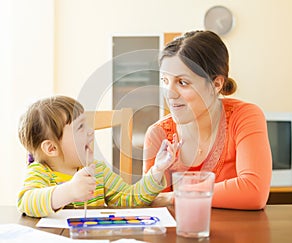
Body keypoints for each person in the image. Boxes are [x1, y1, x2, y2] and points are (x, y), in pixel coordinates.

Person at [143, 30, 272, 210]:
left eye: (182, 82)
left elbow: (253, 191)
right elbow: (156, 205)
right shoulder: (158, 133)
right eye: (165, 81)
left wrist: (175, 196)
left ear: (216, 84)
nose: (169, 94)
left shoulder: (244, 116)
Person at [18, 95, 180, 217]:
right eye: (80, 127)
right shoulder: (40, 172)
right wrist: (69, 191)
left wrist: (157, 170)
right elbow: (26, 201)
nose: (90, 130)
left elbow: (130, 198)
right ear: (52, 148)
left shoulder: (99, 171)